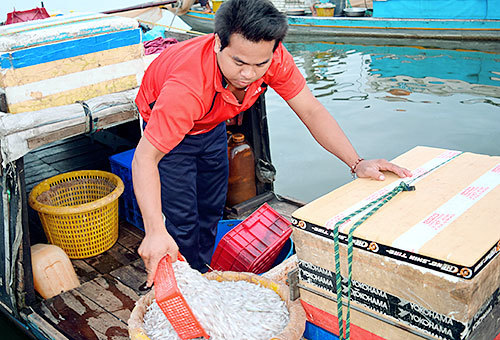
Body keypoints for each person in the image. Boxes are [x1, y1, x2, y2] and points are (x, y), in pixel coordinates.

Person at [132, 0, 411, 287]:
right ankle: (179, 283)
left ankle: (199, 271)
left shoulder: (273, 57)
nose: (249, 74)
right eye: (238, 62)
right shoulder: (186, 89)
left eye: (259, 64)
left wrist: (357, 162)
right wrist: (154, 231)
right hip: (171, 124)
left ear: (273, 52)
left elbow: (311, 110)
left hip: (211, 120)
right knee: (181, 218)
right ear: (217, 43)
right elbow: (145, 159)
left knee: (212, 204)